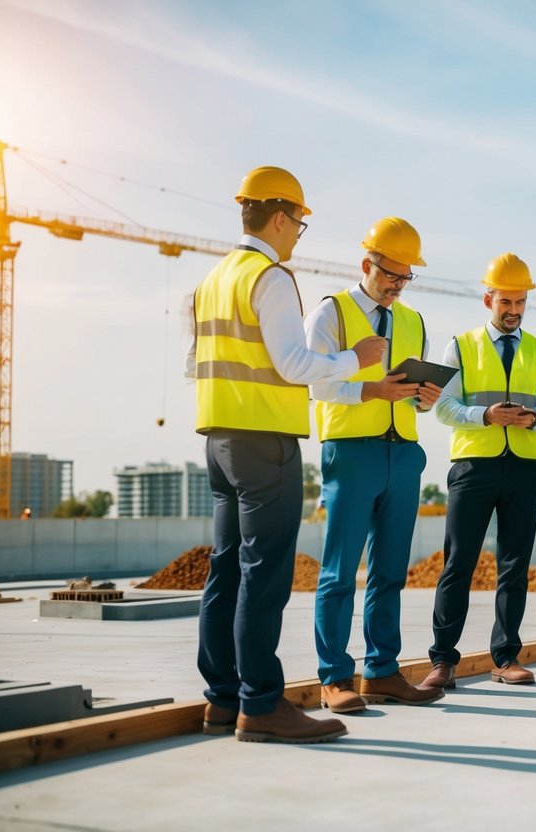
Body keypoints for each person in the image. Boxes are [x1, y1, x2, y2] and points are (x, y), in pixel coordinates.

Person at [190, 166, 386, 743]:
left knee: (225, 572)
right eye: (298, 223)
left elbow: (198, 364)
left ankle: (222, 701)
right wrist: (358, 358)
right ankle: (262, 705)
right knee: (264, 576)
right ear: (278, 218)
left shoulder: (214, 278)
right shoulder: (269, 277)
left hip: (219, 441)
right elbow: (294, 365)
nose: (298, 234)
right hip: (264, 443)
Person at [305, 217, 444, 710]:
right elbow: (313, 383)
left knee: (390, 571)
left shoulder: (413, 321)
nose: (397, 286)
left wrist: (425, 397)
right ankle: (335, 678)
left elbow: (415, 399)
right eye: (391, 275)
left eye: (406, 277)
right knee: (340, 571)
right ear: (367, 264)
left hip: (402, 452)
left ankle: (382, 671)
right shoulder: (331, 313)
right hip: (352, 451)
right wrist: (373, 389)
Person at [418, 253, 536, 689]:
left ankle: (506, 657)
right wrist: (485, 416)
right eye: (506, 302)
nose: (514, 310)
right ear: (488, 299)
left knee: (514, 566)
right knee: (458, 564)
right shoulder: (460, 346)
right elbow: (443, 407)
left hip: (525, 468)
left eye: (521, 302)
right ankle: (442, 661)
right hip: (473, 467)